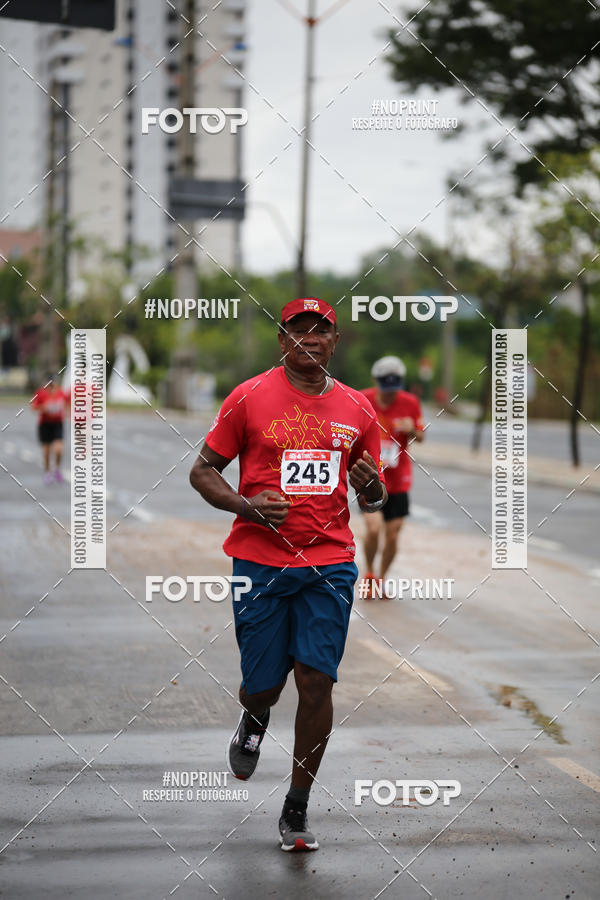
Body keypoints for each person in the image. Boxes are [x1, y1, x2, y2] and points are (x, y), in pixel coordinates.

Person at [189, 297, 387, 852]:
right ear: (282, 341)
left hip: (329, 563)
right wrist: (246, 506)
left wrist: (371, 487)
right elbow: (201, 471)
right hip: (259, 562)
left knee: (316, 681)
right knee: (264, 685)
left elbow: (374, 497)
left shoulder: (358, 409)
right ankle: (254, 718)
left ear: (334, 341)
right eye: (298, 331)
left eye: (320, 331)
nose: (310, 340)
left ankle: (297, 807)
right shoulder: (248, 398)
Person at [360, 356, 424, 599]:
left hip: (399, 478)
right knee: (374, 528)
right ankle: (368, 573)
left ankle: (381, 578)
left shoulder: (410, 403)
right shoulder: (362, 399)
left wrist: (413, 430)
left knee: (394, 532)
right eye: (385, 390)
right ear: (376, 382)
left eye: (393, 390)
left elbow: (422, 435)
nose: (389, 396)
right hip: (369, 476)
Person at [32, 374, 70, 485]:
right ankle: (48, 472)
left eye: (53, 385)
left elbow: (67, 403)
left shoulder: (60, 393)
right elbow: (33, 406)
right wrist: (44, 407)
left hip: (57, 424)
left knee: (59, 449)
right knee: (47, 451)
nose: (51, 388)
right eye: (49, 385)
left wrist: (67, 412)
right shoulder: (40, 393)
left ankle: (57, 469)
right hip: (45, 424)